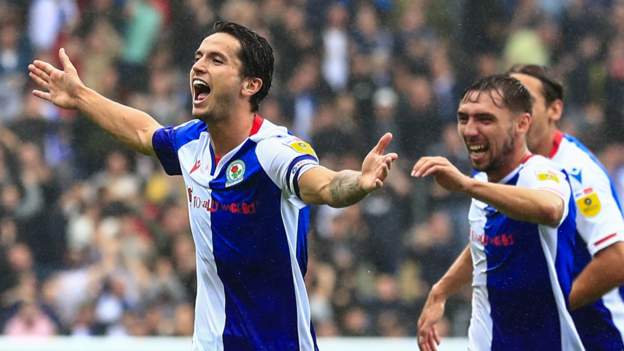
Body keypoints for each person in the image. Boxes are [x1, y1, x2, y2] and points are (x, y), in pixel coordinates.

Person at [28, 21, 398, 351]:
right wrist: (80, 97)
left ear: (250, 84)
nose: (198, 66)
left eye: (216, 60)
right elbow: (144, 132)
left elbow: (326, 184)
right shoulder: (192, 143)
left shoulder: (272, 151)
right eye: (198, 56)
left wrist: (360, 183)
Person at [412, 75, 584, 350]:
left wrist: (466, 185)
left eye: (485, 119)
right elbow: (480, 245)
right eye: (463, 118)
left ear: (522, 123)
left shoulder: (540, 173)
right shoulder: (482, 186)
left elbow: (550, 209)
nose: (469, 130)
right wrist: (440, 291)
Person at [508, 64, 624, 350]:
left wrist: (552, 309)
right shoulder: (501, 168)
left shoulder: (578, 172)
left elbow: (617, 260)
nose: (517, 112)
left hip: (599, 336)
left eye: (527, 102)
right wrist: (442, 290)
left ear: (554, 110)